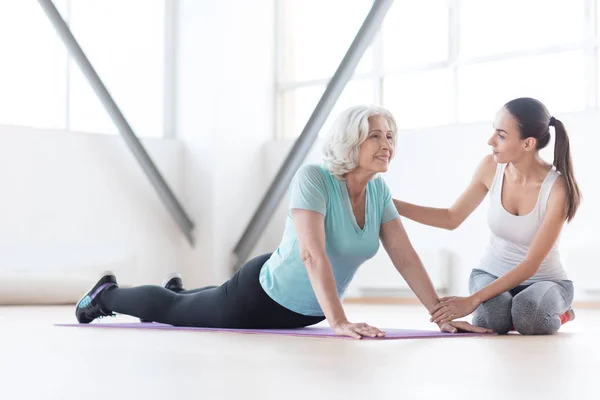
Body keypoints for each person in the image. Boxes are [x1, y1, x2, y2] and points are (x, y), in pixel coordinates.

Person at [74, 105, 491, 339]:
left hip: (305, 312)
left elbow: (406, 258)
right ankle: (105, 296)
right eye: (375, 135)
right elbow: (311, 254)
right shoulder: (314, 179)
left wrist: (440, 314)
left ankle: (182, 289)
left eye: (390, 136)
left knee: (195, 298)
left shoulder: (379, 192)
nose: (387, 144)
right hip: (259, 297)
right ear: (351, 142)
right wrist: (339, 321)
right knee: (175, 310)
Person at [395, 97, 580, 335]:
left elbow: (530, 264)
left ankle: (562, 311)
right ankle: (511, 312)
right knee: (491, 320)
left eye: (501, 135)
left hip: (544, 281)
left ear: (528, 143)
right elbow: (451, 218)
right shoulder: (491, 168)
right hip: (491, 273)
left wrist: (472, 300)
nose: (491, 141)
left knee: (530, 317)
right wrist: (391, 205)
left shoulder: (557, 188)